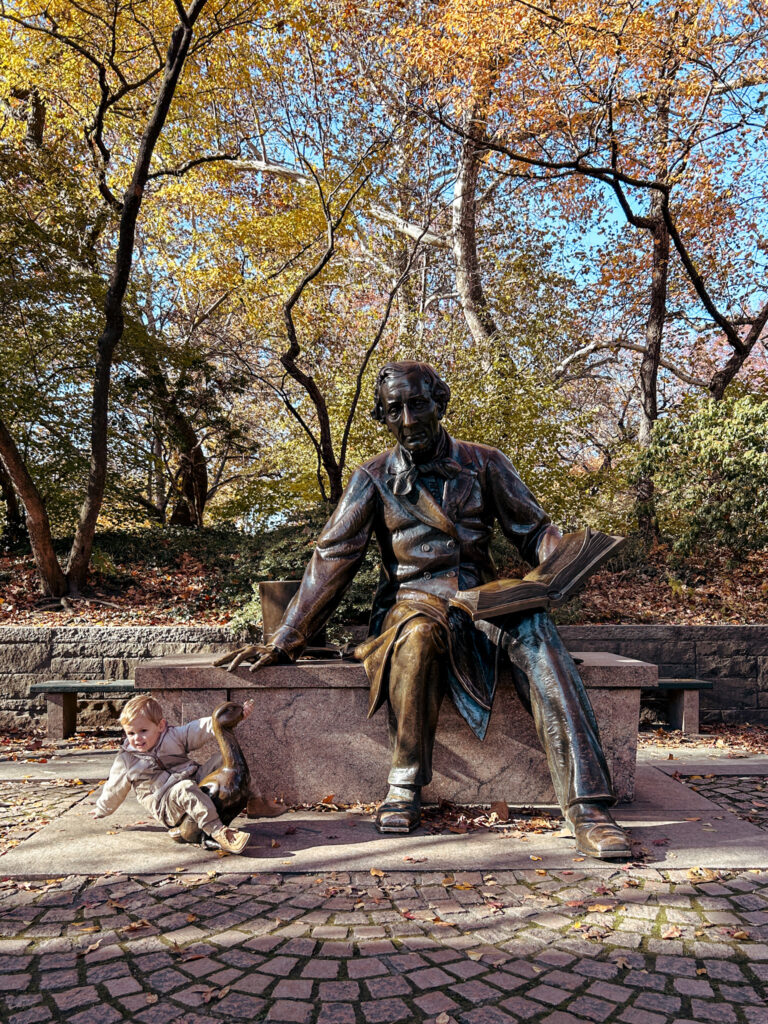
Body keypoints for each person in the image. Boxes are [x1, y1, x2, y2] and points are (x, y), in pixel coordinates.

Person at [217, 361, 630, 859]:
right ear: (384, 416)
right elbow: (332, 557)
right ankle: (405, 782)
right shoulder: (372, 476)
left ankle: (588, 807)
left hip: (482, 602)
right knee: (417, 637)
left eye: (418, 404)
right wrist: (286, 638)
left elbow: (534, 531)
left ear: (440, 403)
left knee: (537, 628)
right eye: (395, 410)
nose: (409, 419)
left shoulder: (486, 463)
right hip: (413, 603)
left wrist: (557, 558)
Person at [91, 693, 253, 855]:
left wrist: (230, 719)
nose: (137, 738)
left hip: (194, 779)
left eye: (143, 731)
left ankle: (255, 800)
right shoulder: (126, 760)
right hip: (166, 803)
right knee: (185, 788)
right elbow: (114, 789)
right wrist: (102, 808)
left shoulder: (172, 736)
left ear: (160, 726)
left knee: (224, 761)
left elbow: (198, 728)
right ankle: (218, 831)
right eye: (131, 733)